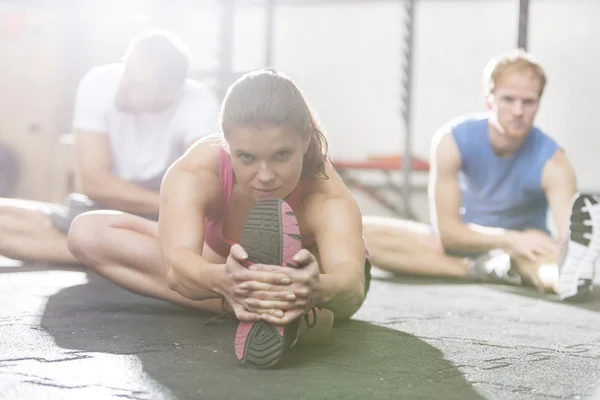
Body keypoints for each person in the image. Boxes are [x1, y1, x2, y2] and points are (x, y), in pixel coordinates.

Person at [67, 68, 371, 368]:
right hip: (226, 269)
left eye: (281, 155)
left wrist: (319, 288)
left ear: (304, 141)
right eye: (247, 158)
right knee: (87, 232)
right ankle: (260, 309)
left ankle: (278, 306)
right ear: (225, 143)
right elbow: (177, 267)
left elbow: (352, 285)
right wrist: (221, 279)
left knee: (327, 298)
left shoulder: (325, 194)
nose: (264, 176)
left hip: (308, 284)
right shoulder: (197, 172)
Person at [362, 49, 600, 302]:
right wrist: (510, 239)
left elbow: (569, 243)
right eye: (508, 99)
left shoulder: (556, 164)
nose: (518, 111)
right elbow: (448, 233)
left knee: (548, 260)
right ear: (489, 100)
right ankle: (481, 270)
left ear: (538, 104)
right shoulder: (451, 140)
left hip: (524, 253)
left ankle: (563, 282)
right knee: (360, 231)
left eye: (528, 102)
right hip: (463, 243)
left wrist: (542, 250)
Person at [0, 29, 219, 264]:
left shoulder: (199, 104)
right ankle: (115, 254)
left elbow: (200, 192)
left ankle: (103, 250)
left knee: (195, 240)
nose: (121, 86)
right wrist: (174, 202)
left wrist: (175, 208)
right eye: (125, 71)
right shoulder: (99, 82)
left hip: (161, 220)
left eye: (134, 83)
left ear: (169, 91)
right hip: (104, 210)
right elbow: (95, 184)